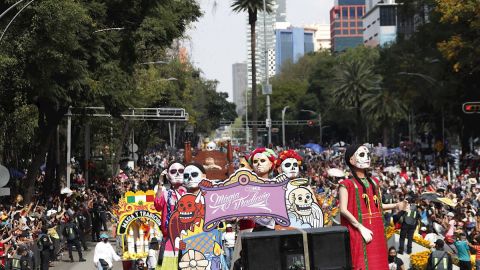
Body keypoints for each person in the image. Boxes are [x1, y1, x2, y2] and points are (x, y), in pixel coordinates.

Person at [338, 145, 408, 269]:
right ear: (351, 160)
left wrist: (396, 205)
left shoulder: (374, 182)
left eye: (367, 154)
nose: (367, 158)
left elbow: (378, 205)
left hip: (377, 230)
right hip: (359, 231)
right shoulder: (346, 184)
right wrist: (360, 227)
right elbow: (343, 210)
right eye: (361, 155)